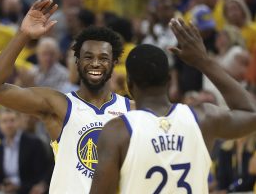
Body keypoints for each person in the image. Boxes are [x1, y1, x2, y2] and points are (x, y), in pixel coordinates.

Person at [89, 18, 256, 194]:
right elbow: (252, 114)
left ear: (130, 85)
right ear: (169, 81)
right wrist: (204, 62)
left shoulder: (117, 131)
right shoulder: (204, 118)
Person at [0, 0, 132, 194]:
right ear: (77, 61)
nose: (96, 63)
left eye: (103, 58)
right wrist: (23, 35)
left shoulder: (133, 109)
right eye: (88, 57)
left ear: (114, 62)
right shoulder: (58, 104)